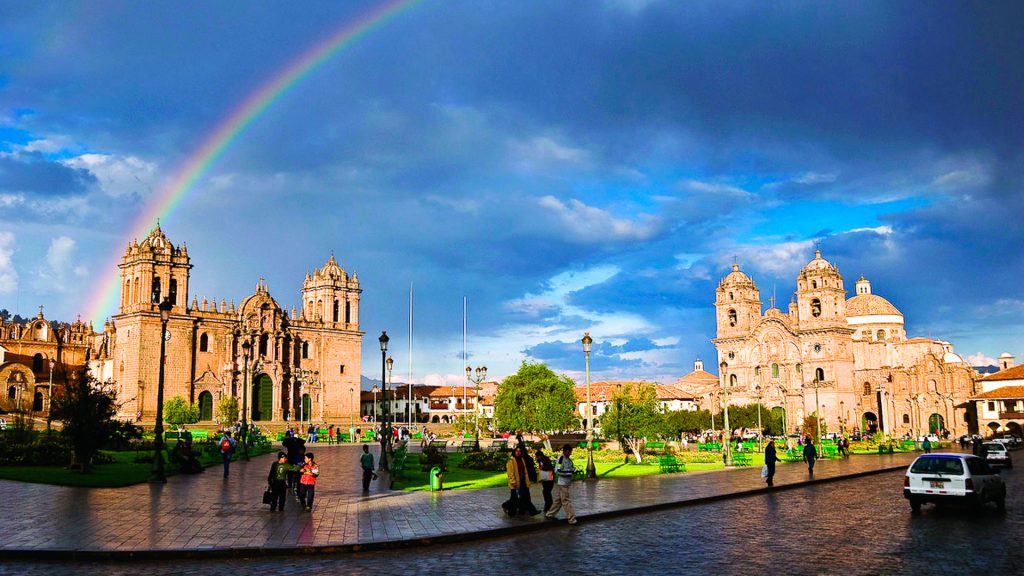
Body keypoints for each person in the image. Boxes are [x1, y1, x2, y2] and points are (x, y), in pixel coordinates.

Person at [545, 444, 577, 525]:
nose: (570, 454)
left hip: (566, 483)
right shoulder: (561, 458)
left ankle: (550, 514)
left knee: (558, 500)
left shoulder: (568, 460)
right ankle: (572, 519)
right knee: (566, 501)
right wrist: (570, 473)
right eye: (569, 452)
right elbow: (558, 470)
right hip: (563, 483)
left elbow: (571, 467)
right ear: (565, 451)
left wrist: (574, 470)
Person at [535, 448, 555, 513]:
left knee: (546, 492)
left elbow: (545, 468)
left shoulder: (544, 460)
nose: (536, 458)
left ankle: (549, 506)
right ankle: (548, 506)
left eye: (537, 457)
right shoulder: (542, 460)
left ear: (539, 456)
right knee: (546, 492)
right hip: (546, 478)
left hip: (548, 478)